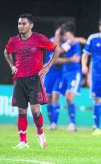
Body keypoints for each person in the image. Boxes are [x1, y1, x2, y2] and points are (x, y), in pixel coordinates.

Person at [4, 13, 61, 149]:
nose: (21, 26)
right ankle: (23, 141)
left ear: (31, 25)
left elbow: (56, 49)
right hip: (19, 80)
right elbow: (6, 52)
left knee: (35, 111)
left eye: (24, 24)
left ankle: (40, 133)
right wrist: (12, 65)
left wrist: (47, 66)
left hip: (34, 79)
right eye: (19, 24)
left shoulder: (39, 39)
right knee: (22, 111)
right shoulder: (13, 41)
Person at [57, 22, 82, 132]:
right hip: (65, 73)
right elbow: (58, 52)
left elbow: (76, 58)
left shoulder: (74, 42)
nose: (64, 36)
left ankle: (73, 123)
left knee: (69, 97)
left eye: (65, 34)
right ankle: (72, 123)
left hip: (74, 72)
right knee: (67, 98)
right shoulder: (68, 43)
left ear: (70, 34)